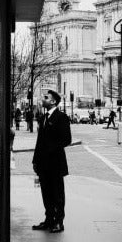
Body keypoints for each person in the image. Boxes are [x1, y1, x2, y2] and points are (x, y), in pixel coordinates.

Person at [31, 89, 72, 234]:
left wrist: (50, 149)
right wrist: (35, 160)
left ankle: (59, 221)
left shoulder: (61, 117)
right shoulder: (43, 118)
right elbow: (39, 141)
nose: (43, 99)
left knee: (57, 193)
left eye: (46, 97)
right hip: (43, 163)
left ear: (53, 101)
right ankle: (49, 220)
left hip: (55, 162)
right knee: (46, 193)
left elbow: (67, 140)